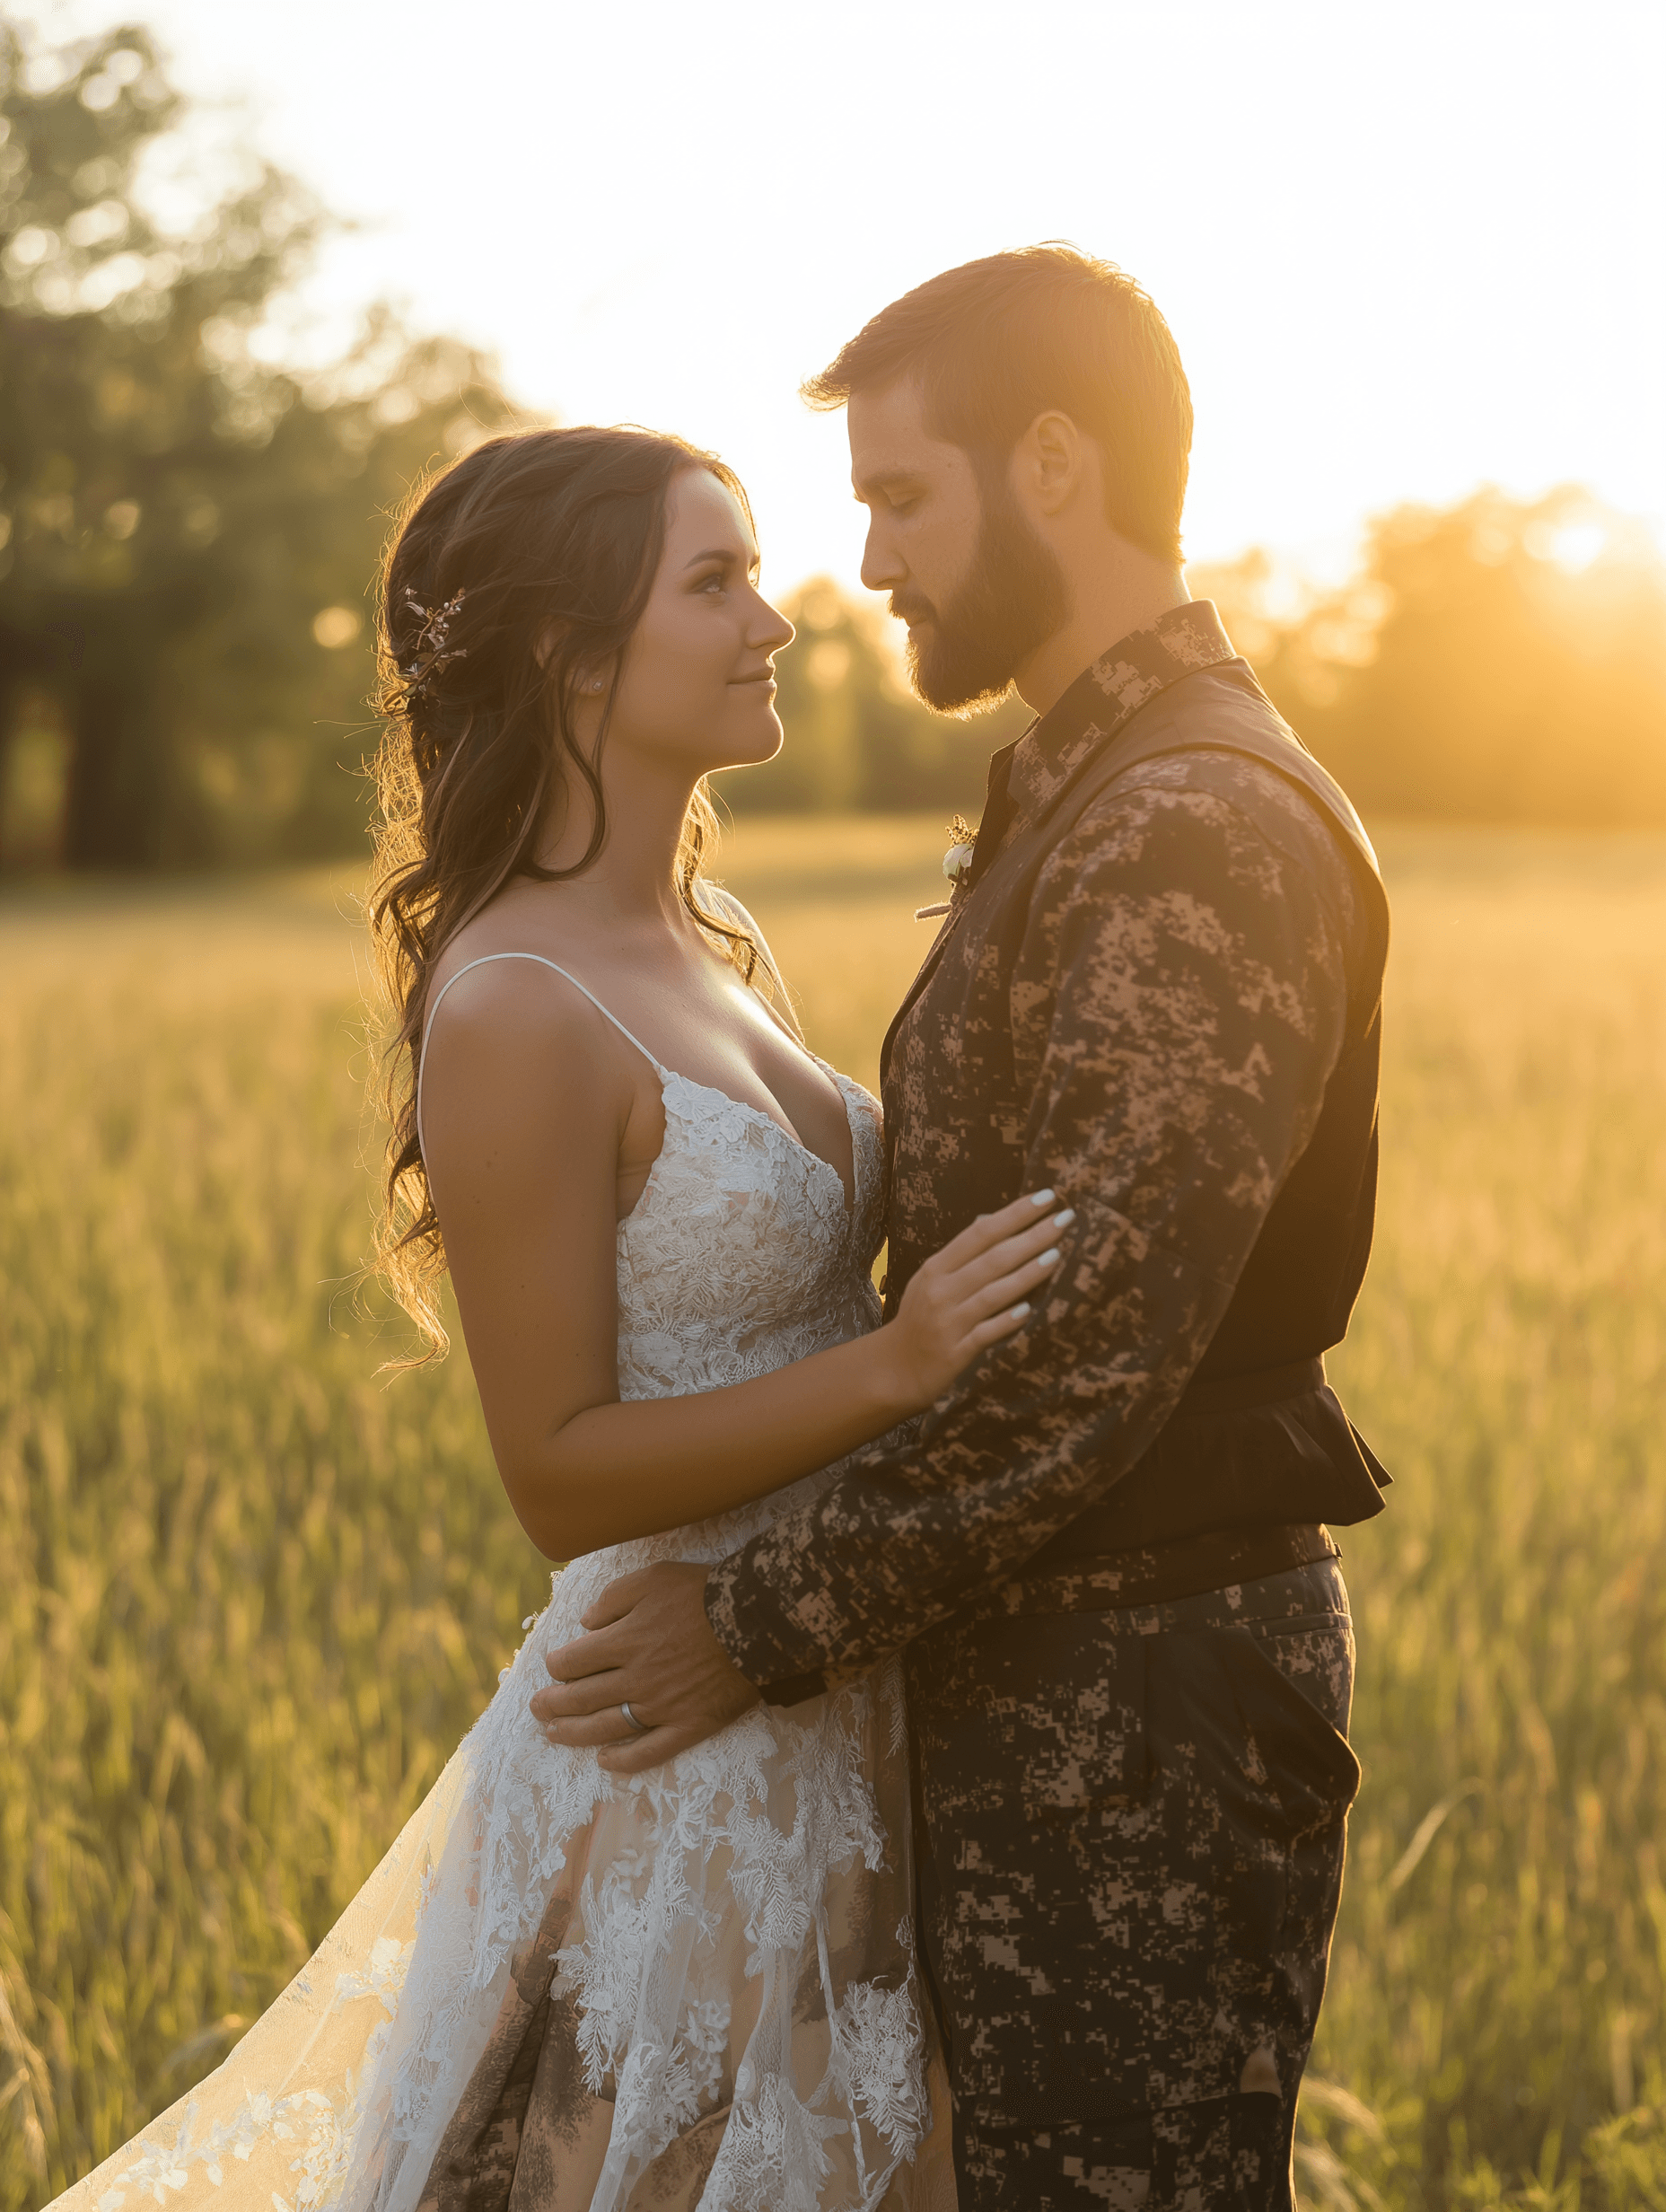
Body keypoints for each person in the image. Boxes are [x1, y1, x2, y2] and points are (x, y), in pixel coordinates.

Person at [52, 426, 1070, 2211]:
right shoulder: (514, 1001)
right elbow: (559, 1469)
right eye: (715, 579)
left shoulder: (717, 936)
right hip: (662, 1759)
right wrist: (904, 1360)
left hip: (826, 1687)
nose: (778, 617)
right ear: (568, 651)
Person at [536, 247, 1394, 2212]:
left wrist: (748, 1624)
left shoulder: (1188, 816)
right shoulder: (1093, 785)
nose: (867, 559)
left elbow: (1084, 1358)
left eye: (900, 497)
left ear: (1059, 465)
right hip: (1059, 1683)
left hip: (1143, 1709)